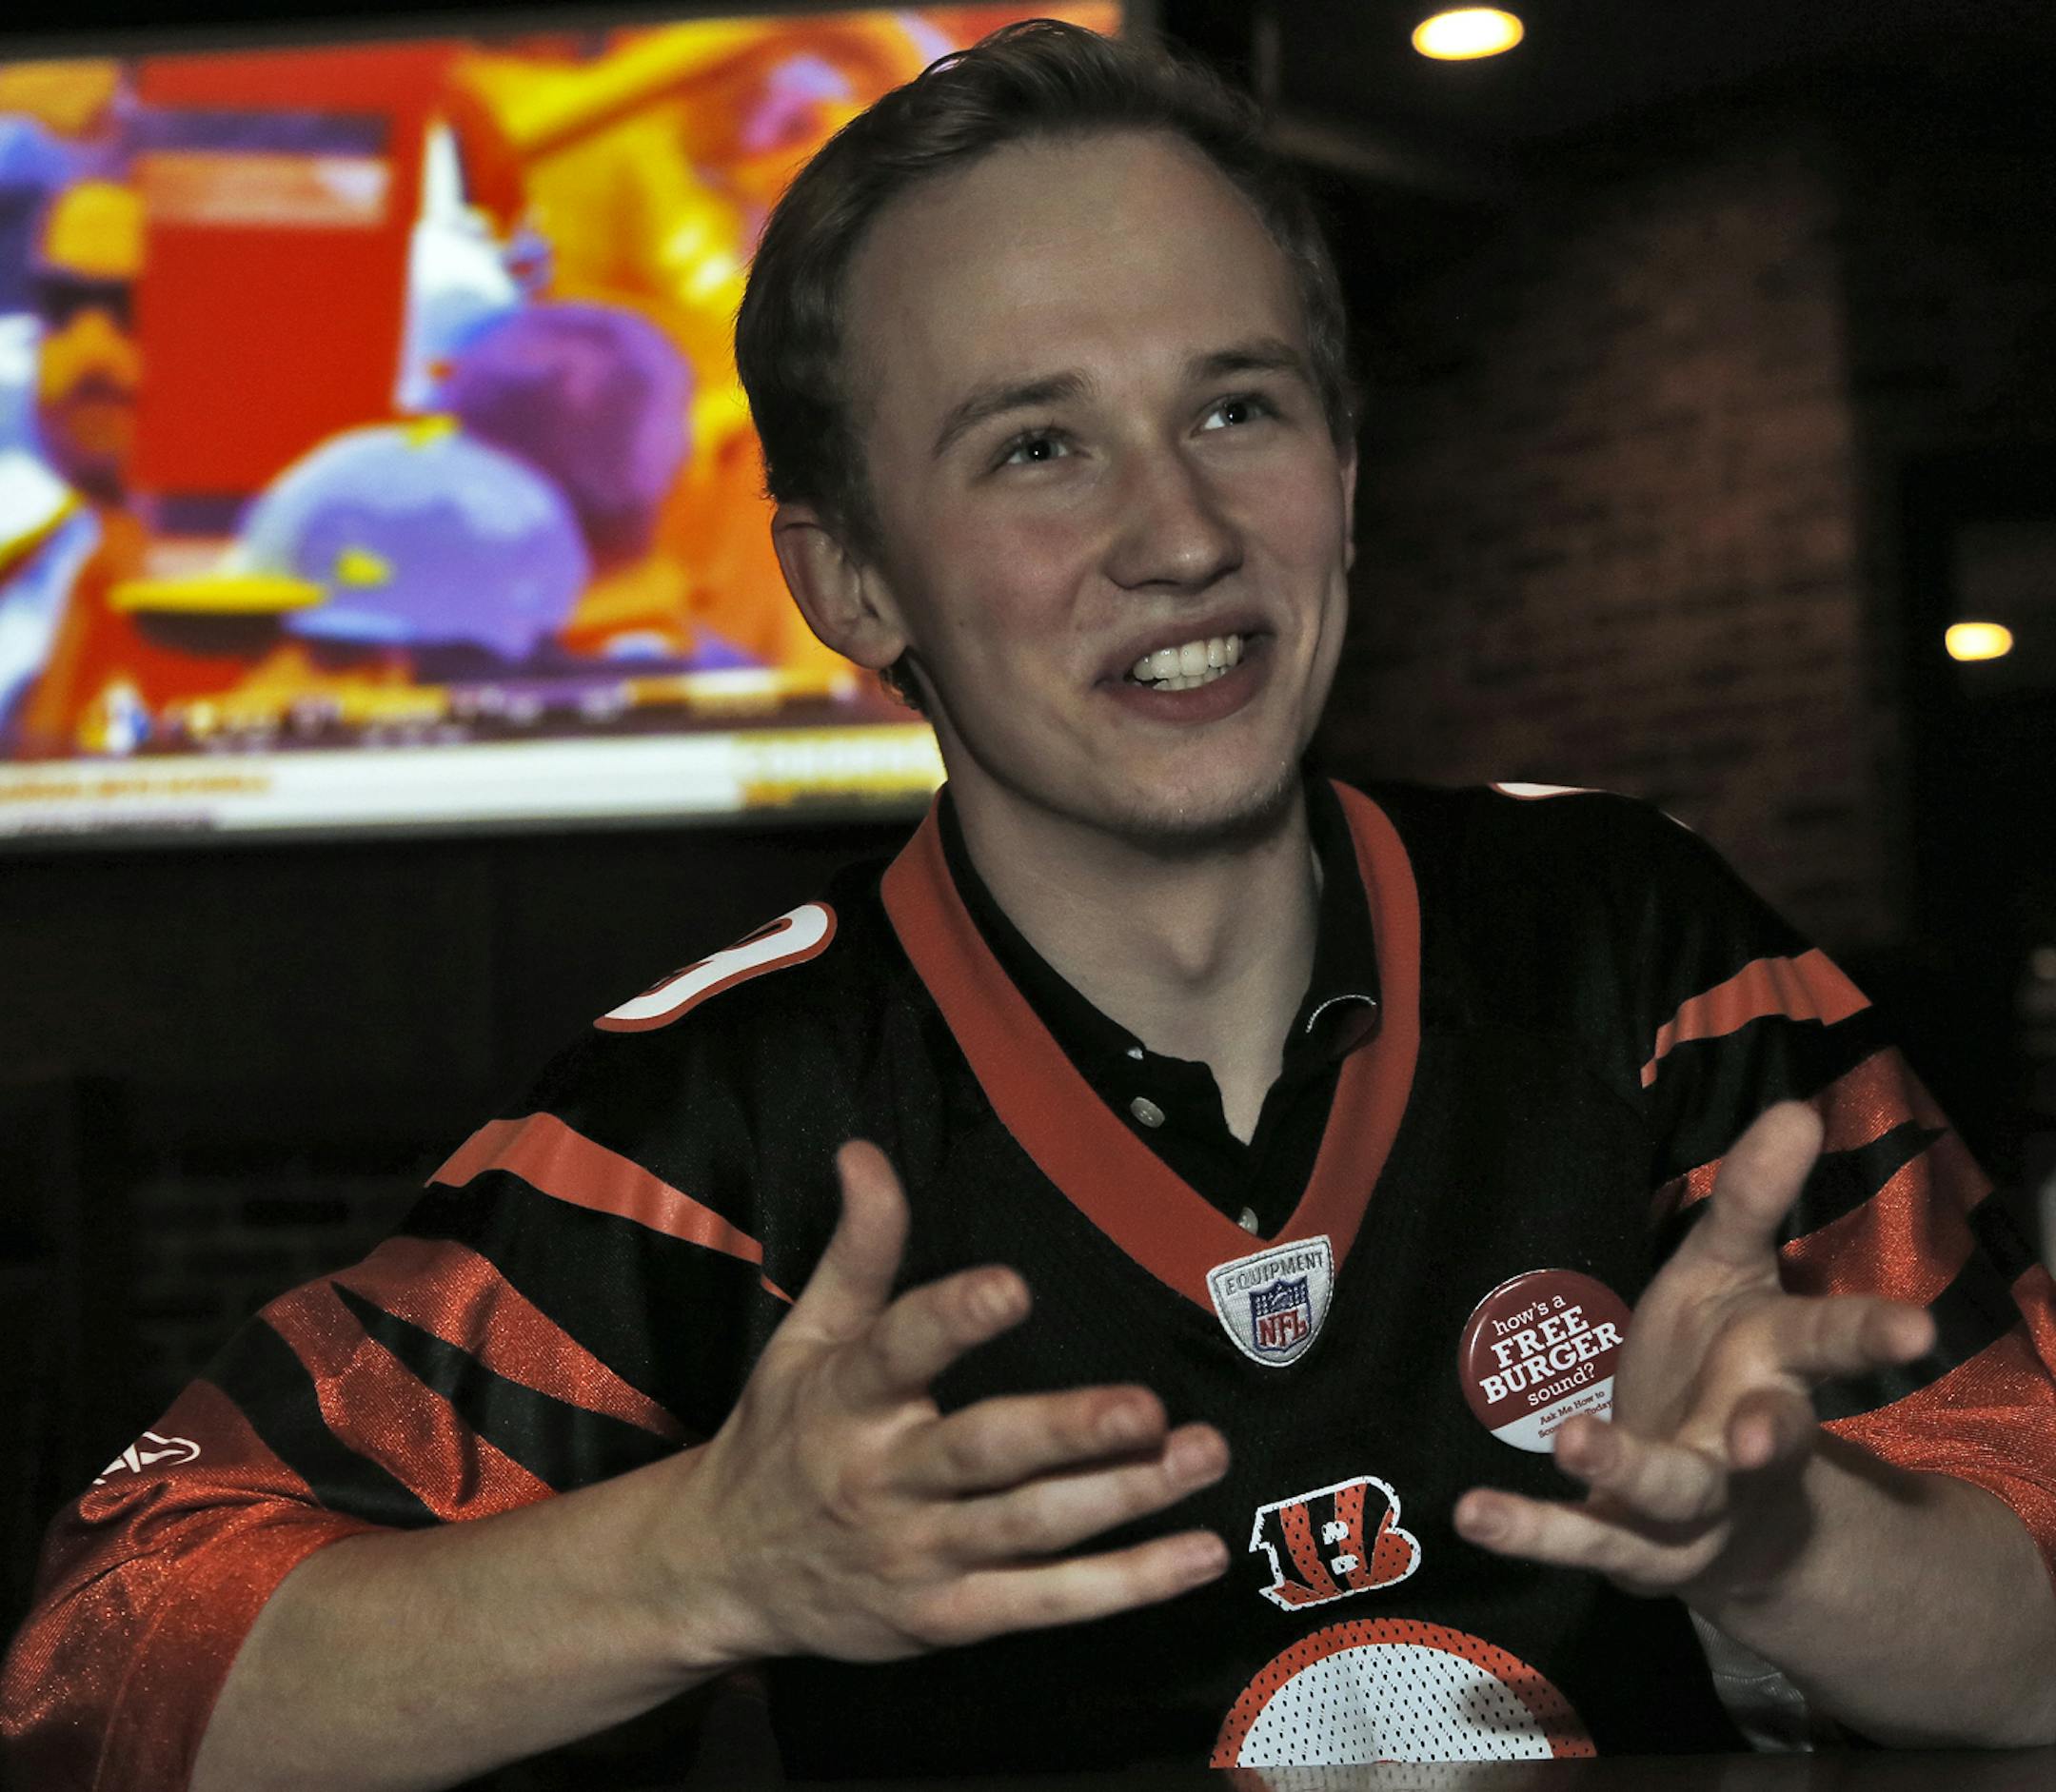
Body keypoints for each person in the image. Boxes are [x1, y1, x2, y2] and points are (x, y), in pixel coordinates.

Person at [7, 21, 2056, 1786]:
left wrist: (1788, 1545)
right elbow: (96, 1676)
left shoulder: (1647, 954)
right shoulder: (718, 1125)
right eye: (1037, 446)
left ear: (1344, 474)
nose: (1178, 532)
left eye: (1237, 406)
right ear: (850, 581)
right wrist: (698, 1562)